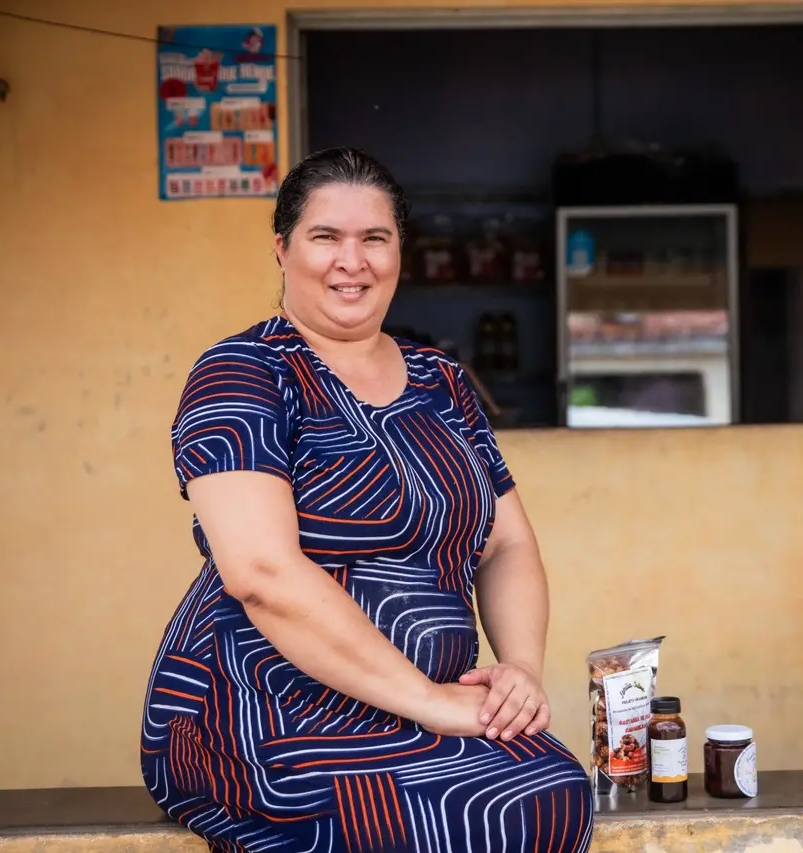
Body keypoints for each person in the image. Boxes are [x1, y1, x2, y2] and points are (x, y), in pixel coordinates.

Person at [140, 147, 593, 852]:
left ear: (399, 253)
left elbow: (507, 543)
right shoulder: (241, 373)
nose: (352, 260)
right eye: (326, 236)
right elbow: (260, 574)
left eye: (374, 238)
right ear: (283, 248)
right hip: (262, 712)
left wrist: (520, 671)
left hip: (423, 714)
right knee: (506, 806)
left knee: (556, 782)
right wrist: (432, 701)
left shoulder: (443, 381)